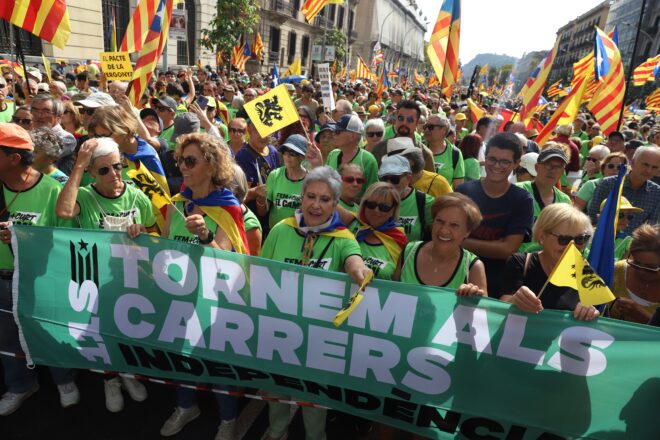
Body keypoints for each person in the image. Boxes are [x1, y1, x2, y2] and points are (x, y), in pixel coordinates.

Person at [260, 166, 370, 440]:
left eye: (325, 199)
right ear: (301, 196)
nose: (316, 205)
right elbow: (260, 273)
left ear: (335, 203)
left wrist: (359, 270)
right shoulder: (279, 230)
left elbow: (353, 258)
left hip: (319, 335)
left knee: (313, 398)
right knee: (276, 389)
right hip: (279, 327)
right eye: (311, 196)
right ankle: (277, 431)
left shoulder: (343, 238)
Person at [55, 137, 154, 412]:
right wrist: (78, 166)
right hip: (95, 282)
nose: (114, 174)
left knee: (130, 331)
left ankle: (128, 373)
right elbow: (63, 212)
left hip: (131, 281)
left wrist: (143, 233)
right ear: (90, 173)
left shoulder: (137, 196)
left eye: (117, 166)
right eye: (103, 170)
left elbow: (156, 236)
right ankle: (110, 379)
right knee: (102, 334)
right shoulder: (85, 196)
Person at [159, 132, 248, 439]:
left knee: (219, 364)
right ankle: (186, 407)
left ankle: (227, 418)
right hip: (179, 298)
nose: (183, 166)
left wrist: (206, 237)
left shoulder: (228, 209)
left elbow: (228, 262)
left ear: (210, 166)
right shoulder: (176, 203)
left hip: (215, 305)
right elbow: (163, 247)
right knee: (182, 357)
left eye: (191, 161)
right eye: (180, 160)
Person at [0, 123, 78, 416]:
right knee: (6, 339)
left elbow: (64, 240)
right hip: (3, 279)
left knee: (50, 333)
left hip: (41, 278)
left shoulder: (52, 190)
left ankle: (65, 380)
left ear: (13, 158)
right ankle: (20, 385)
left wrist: (24, 238)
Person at [455, 132, 534, 298]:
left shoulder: (522, 199)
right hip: (458, 273)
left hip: (498, 284)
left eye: (505, 161)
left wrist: (462, 241)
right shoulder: (464, 191)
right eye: (492, 159)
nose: (496, 166)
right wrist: (496, 245)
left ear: (516, 164)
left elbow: (507, 250)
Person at [500, 204, 598, 320]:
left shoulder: (585, 272)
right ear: (542, 236)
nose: (572, 246)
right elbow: (501, 311)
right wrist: (515, 301)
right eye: (564, 239)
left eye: (580, 239)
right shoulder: (520, 263)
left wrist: (589, 311)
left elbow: (594, 317)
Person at [393, 193, 487, 296]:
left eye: (454, 225)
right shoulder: (409, 251)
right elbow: (390, 295)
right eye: (440, 221)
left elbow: (483, 310)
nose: (444, 230)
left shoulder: (473, 267)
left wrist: (474, 297)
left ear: (467, 232)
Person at [588, 145, 660, 233]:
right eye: (645, 165)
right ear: (633, 163)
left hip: (634, 245)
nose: (649, 170)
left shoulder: (657, 193)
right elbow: (593, 218)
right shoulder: (608, 184)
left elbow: (652, 228)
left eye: (654, 167)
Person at [604, 224, 659, 324]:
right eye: (636, 263)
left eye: (651, 268)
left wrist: (641, 314)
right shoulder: (616, 270)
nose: (641, 271)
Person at [353, 182, 407, 280]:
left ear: (393, 210)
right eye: (371, 204)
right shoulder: (352, 228)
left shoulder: (398, 239)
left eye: (384, 207)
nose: (376, 210)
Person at [378, 155, 434, 242]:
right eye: (384, 179)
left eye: (394, 179)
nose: (388, 184)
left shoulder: (425, 202)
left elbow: (435, 236)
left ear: (408, 178)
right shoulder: (374, 199)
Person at [258, 134, 308, 229]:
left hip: (298, 235)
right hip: (275, 233)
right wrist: (260, 199)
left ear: (302, 157)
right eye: (285, 151)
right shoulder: (274, 175)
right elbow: (262, 212)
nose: (287, 156)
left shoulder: (310, 181)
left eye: (293, 153)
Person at [325, 114, 379, 195]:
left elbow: (373, 194)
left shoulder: (368, 159)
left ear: (352, 136)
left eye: (338, 132)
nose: (333, 134)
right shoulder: (333, 154)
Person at [516, 147, 572, 222]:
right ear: (536, 167)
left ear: (562, 172)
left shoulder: (564, 200)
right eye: (548, 165)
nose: (553, 170)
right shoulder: (518, 190)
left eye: (558, 166)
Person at [423, 115, 465, 187]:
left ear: (444, 130)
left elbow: (458, 187)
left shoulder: (455, 153)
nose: (426, 130)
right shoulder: (418, 148)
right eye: (425, 126)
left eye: (430, 127)